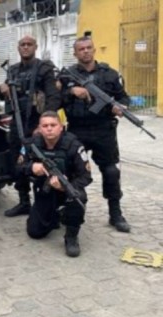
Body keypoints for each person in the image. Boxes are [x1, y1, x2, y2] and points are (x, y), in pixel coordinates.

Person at [60, 36, 131, 233]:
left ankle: (115, 213)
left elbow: (124, 96)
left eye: (89, 48)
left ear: (94, 50)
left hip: (103, 129)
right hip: (77, 129)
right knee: (68, 171)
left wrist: (121, 106)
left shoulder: (110, 74)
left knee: (111, 171)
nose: (85, 51)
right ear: (75, 53)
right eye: (81, 49)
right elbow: (56, 99)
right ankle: (66, 210)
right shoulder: (67, 76)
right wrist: (71, 92)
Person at [0, 35, 61, 218]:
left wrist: (44, 125)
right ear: (18, 48)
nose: (25, 48)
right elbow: (3, 94)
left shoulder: (44, 68)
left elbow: (53, 97)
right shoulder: (13, 70)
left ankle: (45, 203)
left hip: (37, 124)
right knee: (18, 162)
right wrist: (1, 88)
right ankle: (24, 202)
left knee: (42, 162)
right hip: (18, 124)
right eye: (22, 45)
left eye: (29, 45)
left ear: (35, 47)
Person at [23, 111, 92, 257]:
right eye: (45, 125)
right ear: (40, 128)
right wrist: (32, 168)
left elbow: (86, 176)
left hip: (68, 188)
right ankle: (55, 215)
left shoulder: (74, 145)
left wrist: (65, 186)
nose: (49, 128)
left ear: (61, 127)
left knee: (78, 198)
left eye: (53, 125)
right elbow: (16, 169)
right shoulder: (32, 144)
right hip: (45, 189)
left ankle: (71, 237)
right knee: (34, 232)